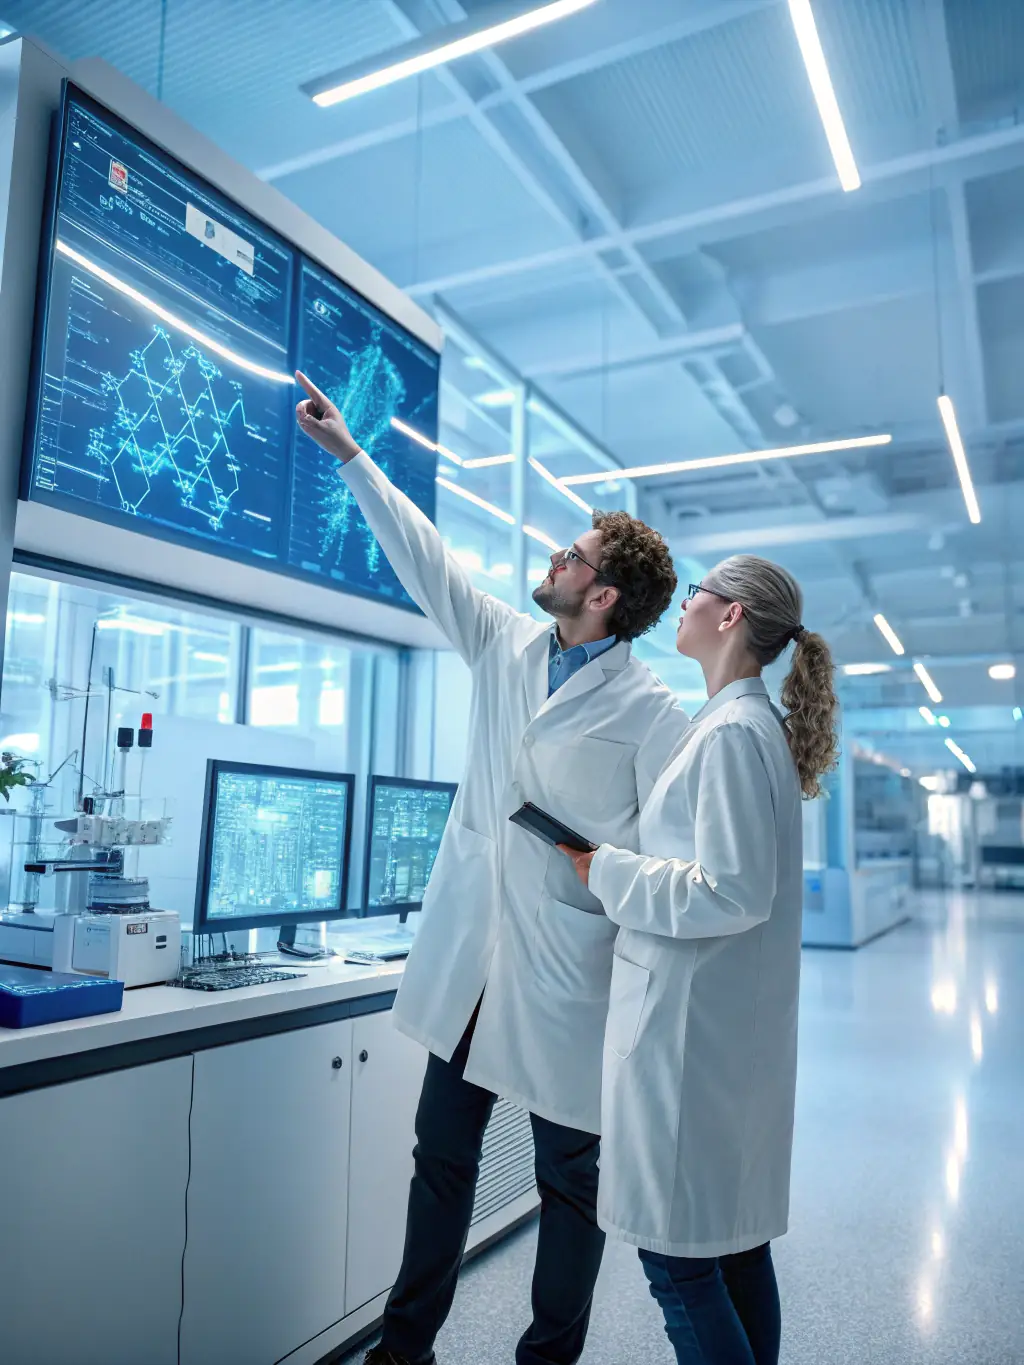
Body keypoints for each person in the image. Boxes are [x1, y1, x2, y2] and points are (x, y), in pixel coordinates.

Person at [294, 372, 688, 1365]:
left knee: (571, 1186)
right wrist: (353, 457)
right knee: (439, 1162)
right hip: (473, 964)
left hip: (568, 978)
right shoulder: (507, 644)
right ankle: (404, 1351)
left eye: (573, 557)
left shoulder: (651, 713)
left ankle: (546, 1359)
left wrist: (591, 865)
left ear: (603, 595)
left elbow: (667, 858)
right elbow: (427, 562)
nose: (554, 559)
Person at [560, 555, 839, 1365]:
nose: (682, 606)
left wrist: (605, 869)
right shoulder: (741, 726)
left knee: (679, 1262)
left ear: (730, 615)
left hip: (690, 1040)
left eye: (695, 594)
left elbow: (733, 889)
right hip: (716, 1034)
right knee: (733, 1247)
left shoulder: (733, 734)